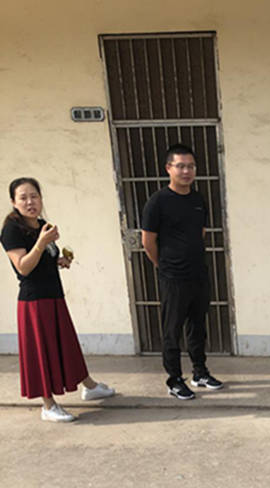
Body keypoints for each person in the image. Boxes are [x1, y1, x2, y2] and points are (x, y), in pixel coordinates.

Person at [0, 178, 115, 423]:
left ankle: (89, 387)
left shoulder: (43, 225)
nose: (30, 202)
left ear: (41, 198)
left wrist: (59, 260)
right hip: (34, 302)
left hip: (54, 296)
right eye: (23, 198)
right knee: (42, 353)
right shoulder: (11, 230)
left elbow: (45, 258)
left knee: (67, 345)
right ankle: (48, 405)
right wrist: (41, 242)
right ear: (13, 202)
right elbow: (23, 267)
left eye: (34, 196)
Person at [141, 143, 223, 400]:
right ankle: (174, 379)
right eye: (180, 166)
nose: (186, 171)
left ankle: (199, 372)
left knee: (198, 325)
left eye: (191, 166)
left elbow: (201, 232)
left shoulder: (198, 199)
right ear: (169, 168)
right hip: (173, 277)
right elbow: (147, 242)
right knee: (172, 330)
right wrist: (163, 265)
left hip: (198, 273)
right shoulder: (158, 202)